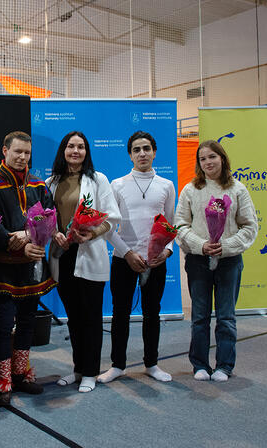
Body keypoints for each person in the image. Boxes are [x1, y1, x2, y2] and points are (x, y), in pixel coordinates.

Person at [0, 131, 57, 407]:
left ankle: (21, 374)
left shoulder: (39, 185)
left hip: (32, 266)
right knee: (3, 326)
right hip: (3, 267)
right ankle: (3, 382)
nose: (23, 157)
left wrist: (35, 238)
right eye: (18, 152)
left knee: (27, 323)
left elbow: (49, 216)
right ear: (5, 151)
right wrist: (18, 241)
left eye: (27, 153)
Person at [174, 140, 258, 382]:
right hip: (198, 261)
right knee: (200, 316)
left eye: (212, 157)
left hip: (229, 261)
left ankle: (224, 365)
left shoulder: (238, 189)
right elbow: (180, 225)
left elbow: (250, 226)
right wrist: (201, 245)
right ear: (199, 163)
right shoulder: (191, 190)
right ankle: (199, 364)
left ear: (222, 158)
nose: (208, 162)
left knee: (226, 317)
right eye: (203, 159)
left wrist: (227, 245)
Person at [97, 131, 176, 384]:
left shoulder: (167, 185)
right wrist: (127, 252)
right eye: (136, 149)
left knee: (153, 313)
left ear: (154, 152)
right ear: (130, 155)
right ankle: (117, 365)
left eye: (146, 148)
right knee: (120, 313)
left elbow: (172, 226)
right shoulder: (117, 184)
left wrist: (168, 250)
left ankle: (151, 364)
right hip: (124, 259)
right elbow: (108, 226)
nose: (142, 153)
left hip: (156, 260)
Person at [47, 131, 121, 393]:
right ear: (63, 151)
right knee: (74, 319)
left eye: (80, 147)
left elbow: (112, 218)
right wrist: (53, 233)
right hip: (63, 255)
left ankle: (91, 372)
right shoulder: (51, 182)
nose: (75, 151)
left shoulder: (98, 179)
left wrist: (92, 232)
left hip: (89, 254)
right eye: (70, 146)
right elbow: (46, 219)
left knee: (90, 317)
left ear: (87, 152)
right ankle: (78, 369)